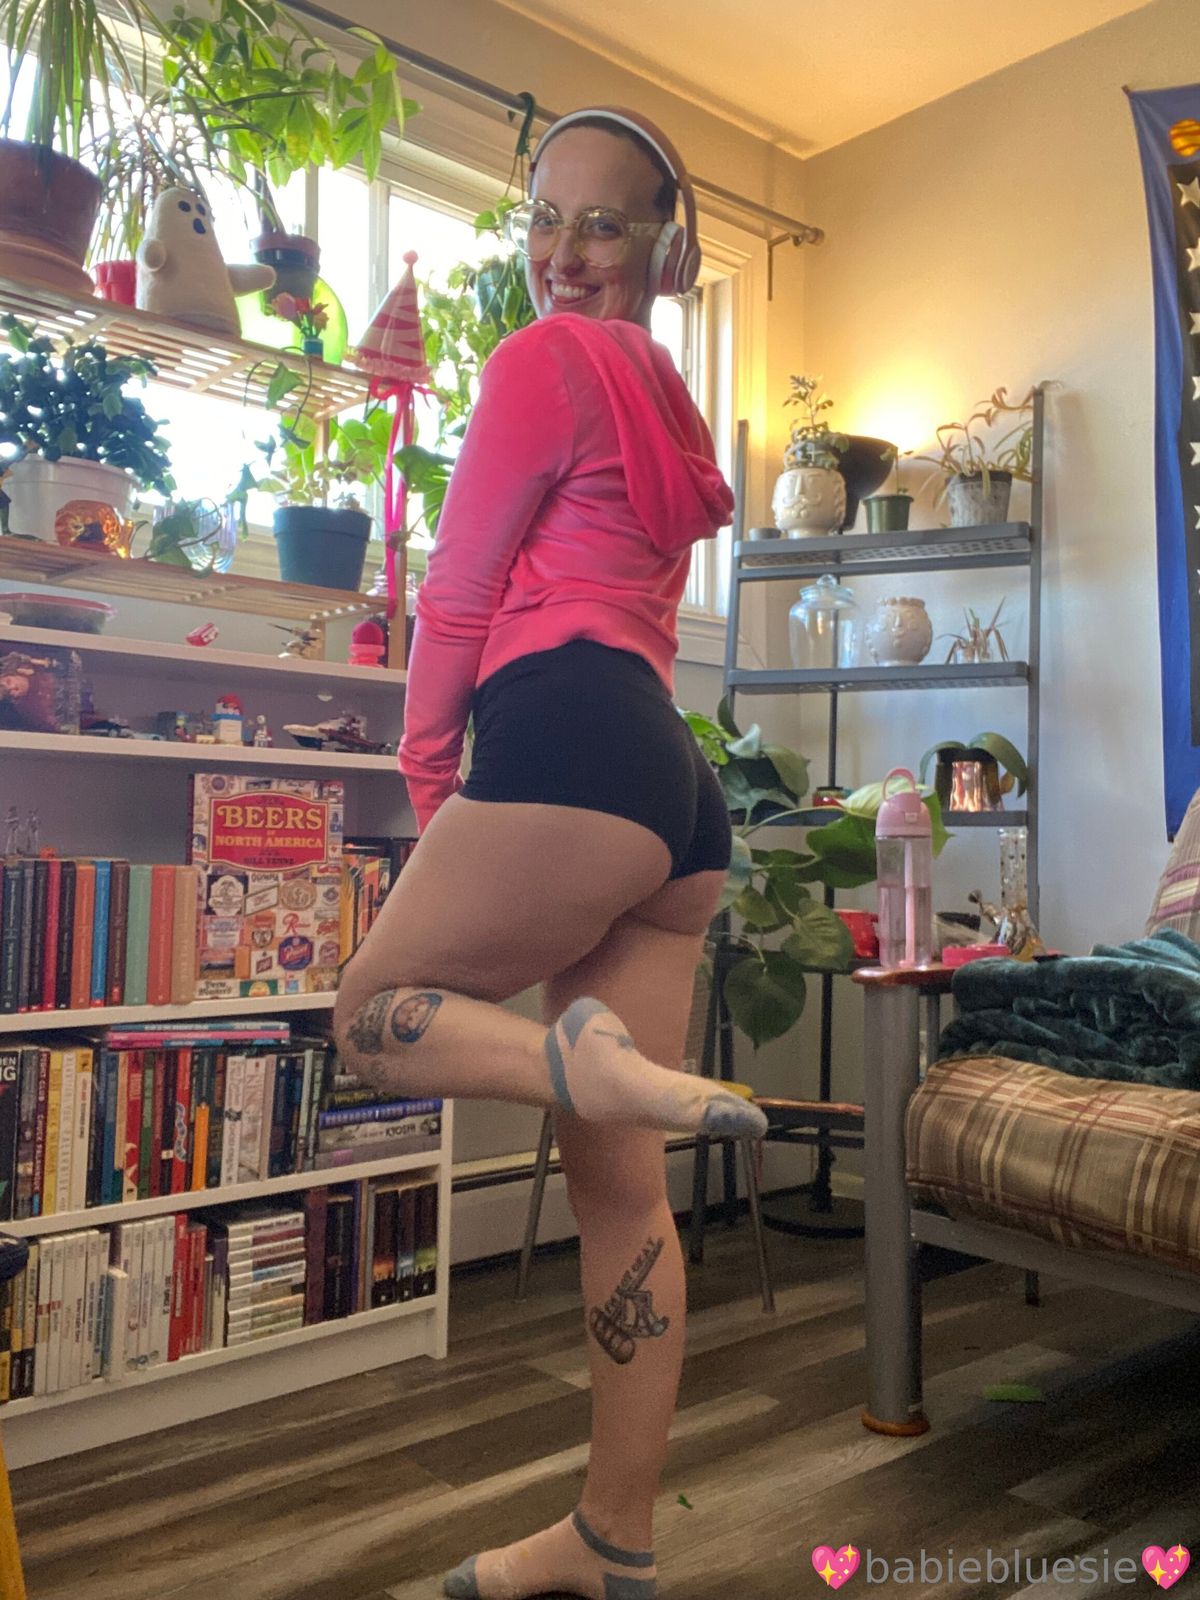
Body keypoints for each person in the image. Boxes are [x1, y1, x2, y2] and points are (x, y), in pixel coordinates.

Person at [333, 105, 766, 1600]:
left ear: (661, 249)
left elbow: (458, 594)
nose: (564, 253)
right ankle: (611, 1536)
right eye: (543, 218)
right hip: (673, 793)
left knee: (368, 1016)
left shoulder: (540, 362)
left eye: (603, 224)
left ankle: (578, 1068)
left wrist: (428, 779)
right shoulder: (674, 405)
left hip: (567, 732)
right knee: (620, 1192)